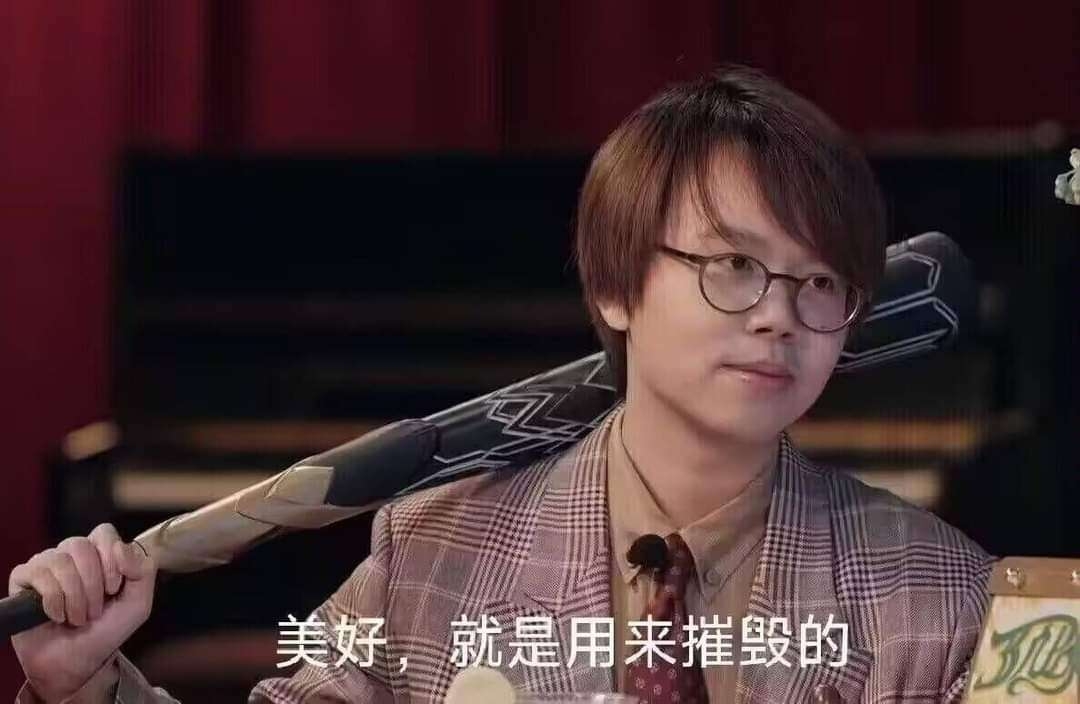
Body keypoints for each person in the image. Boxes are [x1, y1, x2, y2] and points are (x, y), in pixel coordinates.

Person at [9, 66, 993, 703]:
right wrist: (85, 681)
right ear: (615, 286)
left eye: (820, 282)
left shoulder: (943, 599)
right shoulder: (429, 553)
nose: (779, 314)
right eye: (733, 266)